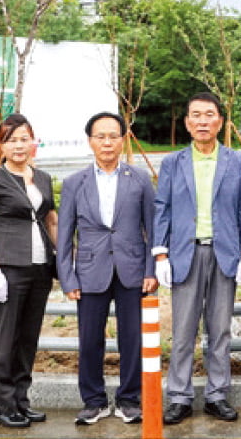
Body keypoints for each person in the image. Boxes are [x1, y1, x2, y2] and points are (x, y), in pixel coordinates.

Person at [152, 92, 241, 424]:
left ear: (220, 121)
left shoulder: (236, 161)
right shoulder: (173, 163)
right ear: (186, 122)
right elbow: (162, 210)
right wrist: (161, 253)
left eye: (209, 115)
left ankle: (217, 394)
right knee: (183, 331)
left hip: (224, 253)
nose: (202, 121)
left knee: (219, 329)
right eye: (195, 115)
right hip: (185, 253)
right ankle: (180, 397)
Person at [56, 112, 157, 425]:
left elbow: (153, 229)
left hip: (133, 270)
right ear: (90, 141)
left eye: (113, 135)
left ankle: (129, 400)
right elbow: (64, 234)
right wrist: (67, 276)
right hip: (89, 272)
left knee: (132, 339)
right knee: (89, 340)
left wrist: (151, 270)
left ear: (123, 139)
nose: (107, 142)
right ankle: (93, 401)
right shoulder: (75, 183)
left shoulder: (139, 179)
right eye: (100, 136)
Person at [0, 113, 57, 428]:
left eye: (24, 138)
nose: (19, 145)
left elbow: (51, 220)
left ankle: (22, 401)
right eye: (12, 140)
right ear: (1, 145)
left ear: (33, 142)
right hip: (10, 269)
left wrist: (63, 257)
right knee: (6, 340)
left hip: (40, 271)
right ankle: (3, 406)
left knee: (27, 339)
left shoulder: (43, 178)